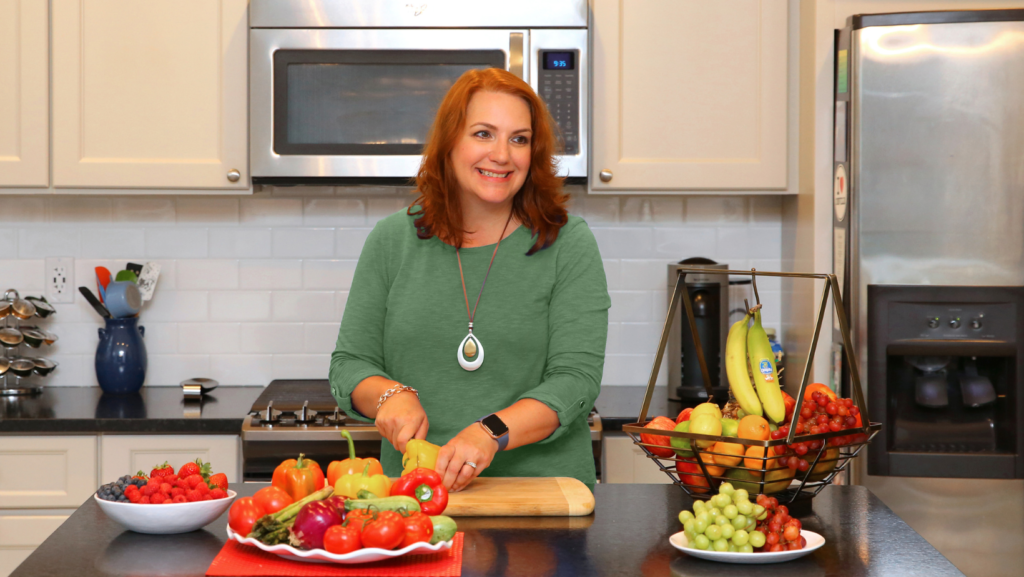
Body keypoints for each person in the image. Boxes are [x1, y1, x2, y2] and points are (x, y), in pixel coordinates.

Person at [329, 67, 610, 492]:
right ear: (449, 143)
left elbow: (575, 381)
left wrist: (489, 432)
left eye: (519, 139)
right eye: (483, 133)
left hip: (540, 500)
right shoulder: (391, 241)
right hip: (413, 497)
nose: (502, 154)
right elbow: (350, 366)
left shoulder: (569, 243)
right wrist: (390, 394)